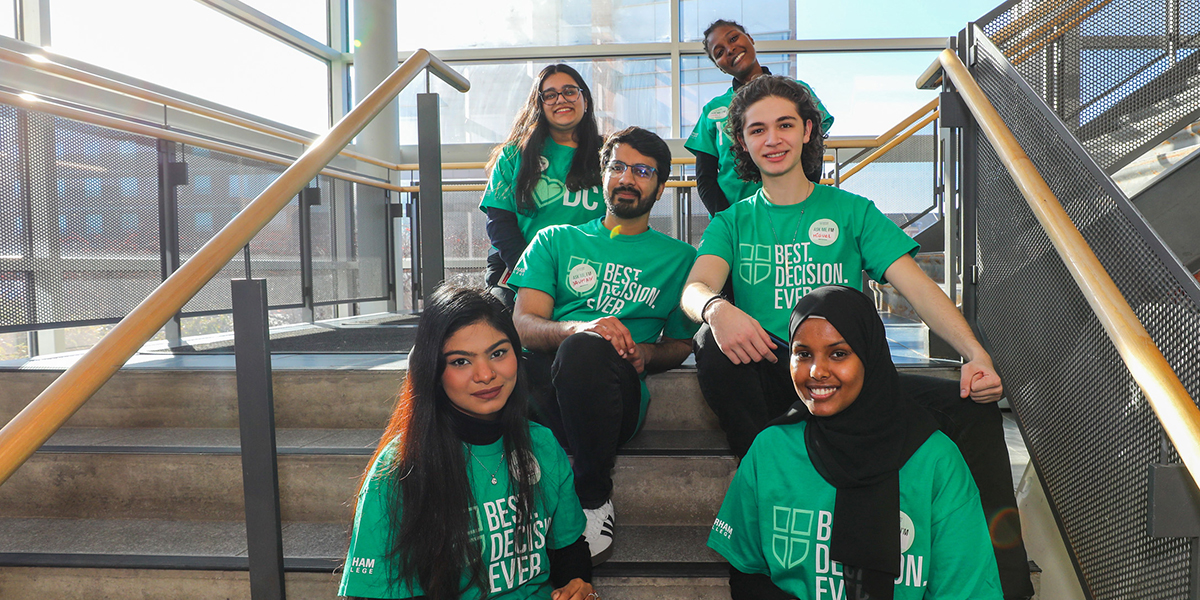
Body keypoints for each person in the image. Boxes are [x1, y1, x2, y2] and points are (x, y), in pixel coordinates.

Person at [680, 76, 1034, 598]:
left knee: (974, 408)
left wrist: (976, 355)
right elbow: (695, 286)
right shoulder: (733, 221)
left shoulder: (850, 212)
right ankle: (771, 466)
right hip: (781, 376)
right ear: (744, 143)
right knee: (711, 341)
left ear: (807, 132)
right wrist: (715, 307)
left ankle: (1010, 579)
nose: (772, 139)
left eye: (784, 125)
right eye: (757, 130)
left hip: (852, 377)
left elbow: (918, 288)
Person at [708, 285, 1004, 600]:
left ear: (870, 355)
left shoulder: (933, 460)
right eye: (803, 354)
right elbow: (747, 577)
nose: (816, 372)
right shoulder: (771, 450)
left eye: (838, 354)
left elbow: (964, 590)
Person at [508, 126, 698, 565]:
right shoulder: (555, 240)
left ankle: (592, 497)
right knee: (502, 346)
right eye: (617, 166)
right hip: (548, 382)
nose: (627, 178)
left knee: (586, 353)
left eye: (643, 170)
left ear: (661, 184)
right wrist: (578, 328)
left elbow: (682, 344)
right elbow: (523, 324)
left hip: (616, 394)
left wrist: (645, 354)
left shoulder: (681, 260)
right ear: (603, 174)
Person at [339, 285, 599, 600]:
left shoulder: (541, 443)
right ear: (434, 371)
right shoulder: (401, 468)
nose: (486, 374)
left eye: (498, 353)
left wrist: (578, 585)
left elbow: (569, 549)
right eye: (461, 361)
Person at [480, 64, 606, 306]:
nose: (561, 99)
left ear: (585, 100)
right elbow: (499, 223)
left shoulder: (608, 155)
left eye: (570, 91)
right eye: (550, 95)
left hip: (590, 274)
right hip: (518, 267)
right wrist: (535, 274)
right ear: (539, 105)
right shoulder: (514, 154)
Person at [685, 19, 835, 217]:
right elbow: (705, 179)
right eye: (719, 52)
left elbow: (813, 155)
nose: (729, 49)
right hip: (737, 218)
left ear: (750, 39)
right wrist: (729, 221)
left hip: (793, 213)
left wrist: (800, 208)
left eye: (733, 38)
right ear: (719, 67)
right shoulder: (712, 110)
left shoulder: (798, 92)